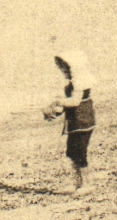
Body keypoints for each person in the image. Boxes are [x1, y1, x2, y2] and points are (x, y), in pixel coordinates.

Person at [41, 50, 98, 195]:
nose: (63, 71)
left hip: (83, 122)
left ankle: (87, 183)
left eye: (65, 68)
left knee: (79, 152)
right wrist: (56, 111)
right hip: (75, 123)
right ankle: (77, 183)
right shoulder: (74, 83)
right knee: (71, 152)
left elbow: (74, 101)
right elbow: (69, 105)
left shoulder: (80, 83)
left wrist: (58, 102)